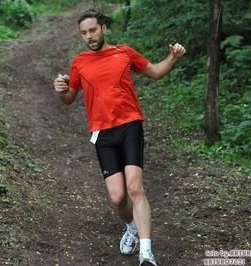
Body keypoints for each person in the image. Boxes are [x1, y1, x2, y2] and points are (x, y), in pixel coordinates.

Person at [53, 8, 186, 266]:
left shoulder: (124, 53)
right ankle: (132, 229)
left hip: (130, 125)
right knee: (117, 199)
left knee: (135, 187)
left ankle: (146, 253)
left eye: (92, 30)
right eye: (84, 33)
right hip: (102, 133)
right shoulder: (79, 62)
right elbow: (69, 98)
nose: (89, 36)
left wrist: (173, 56)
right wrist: (61, 90)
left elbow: (156, 72)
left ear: (103, 28)